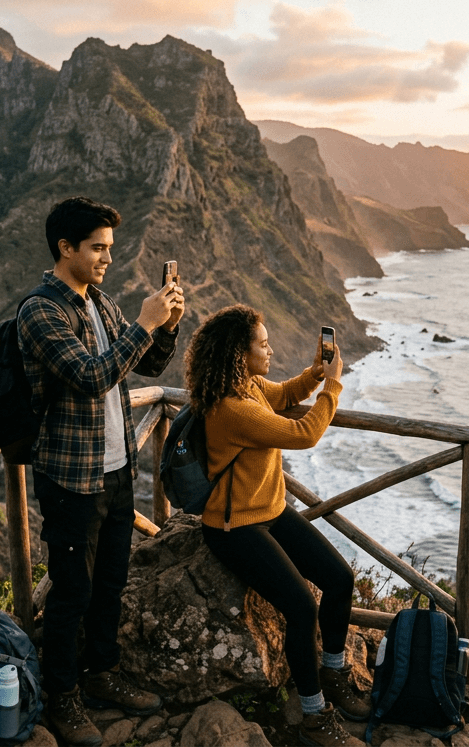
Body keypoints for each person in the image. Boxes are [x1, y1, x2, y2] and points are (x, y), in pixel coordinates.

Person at [19, 197, 184, 745]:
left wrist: (165, 328)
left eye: (110, 248)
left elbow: (148, 366)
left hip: (116, 471)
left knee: (111, 583)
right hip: (71, 479)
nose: (108, 257)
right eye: (98, 248)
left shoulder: (101, 301)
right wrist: (142, 322)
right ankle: (61, 697)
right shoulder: (40, 311)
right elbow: (91, 376)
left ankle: (102, 676)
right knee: (72, 593)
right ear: (65, 248)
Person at [185, 304, 365, 747]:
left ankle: (335, 670)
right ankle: (313, 715)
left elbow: (282, 395)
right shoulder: (230, 406)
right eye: (262, 345)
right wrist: (333, 388)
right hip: (233, 525)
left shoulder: (245, 386)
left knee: (340, 579)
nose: (270, 349)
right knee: (302, 607)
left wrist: (314, 374)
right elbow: (303, 433)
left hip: (269, 509)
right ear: (238, 354)